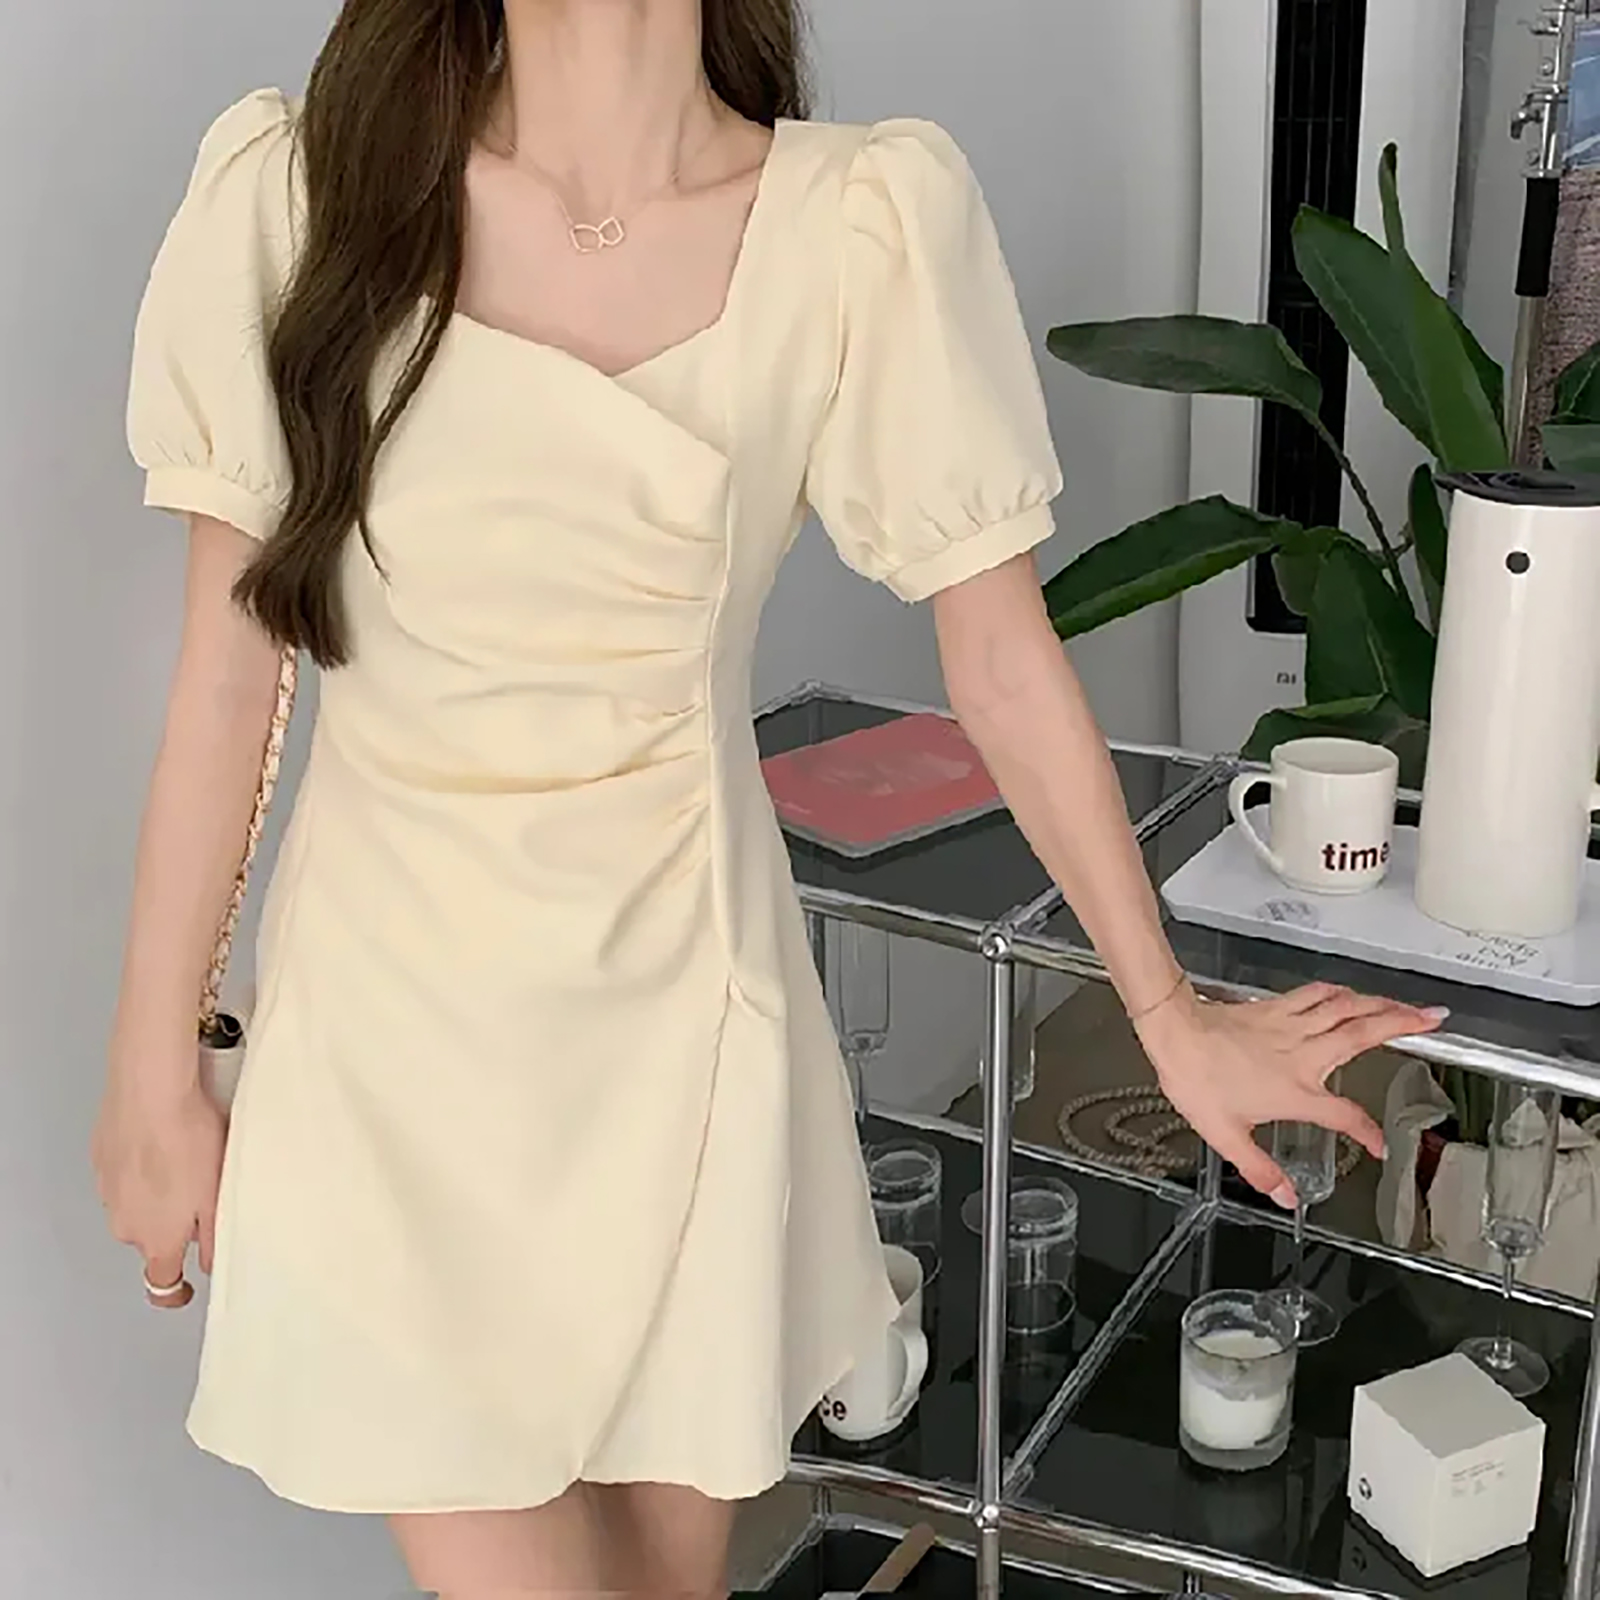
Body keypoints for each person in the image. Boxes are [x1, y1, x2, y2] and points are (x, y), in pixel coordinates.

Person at [91, 1, 1445, 1594]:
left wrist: (1166, 1012)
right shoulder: (301, 190)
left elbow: (1002, 661)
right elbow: (231, 675)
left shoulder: (856, 224)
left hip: (685, 1035)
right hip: (386, 1045)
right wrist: (154, 1067)